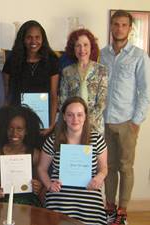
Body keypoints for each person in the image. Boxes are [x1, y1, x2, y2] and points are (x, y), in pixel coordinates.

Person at [100, 10, 150, 225]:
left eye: (123, 25)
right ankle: (109, 206)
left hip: (126, 122)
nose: (119, 28)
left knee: (125, 167)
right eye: (116, 24)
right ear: (111, 27)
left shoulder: (139, 56)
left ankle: (123, 210)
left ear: (130, 28)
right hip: (104, 122)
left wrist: (136, 121)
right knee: (107, 167)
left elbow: (146, 91)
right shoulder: (102, 54)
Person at [37, 96, 107, 225]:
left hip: (88, 192)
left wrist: (99, 178)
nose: (75, 119)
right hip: (60, 195)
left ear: (85, 116)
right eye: (70, 115)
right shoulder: (53, 140)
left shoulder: (97, 139)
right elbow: (41, 169)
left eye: (79, 115)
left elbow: (103, 169)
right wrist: (49, 185)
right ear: (63, 116)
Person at [2, 20, 59, 134]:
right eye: (29, 37)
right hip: (17, 121)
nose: (33, 41)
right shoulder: (12, 60)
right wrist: (5, 120)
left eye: (37, 37)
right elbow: (7, 93)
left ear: (43, 39)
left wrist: (51, 124)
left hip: (43, 122)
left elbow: (53, 95)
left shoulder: (52, 60)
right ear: (23, 39)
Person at [0, 105, 43, 206]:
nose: (14, 133)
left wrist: (38, 186)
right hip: (2, 202)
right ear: (5, 129)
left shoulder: (35, 154)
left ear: (26, 131)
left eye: (19, 129)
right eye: (10, 128)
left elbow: (39, 183)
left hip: (28, 203)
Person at [59, 28, 108, 134]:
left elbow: (102, 102)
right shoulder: (67, 71)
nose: (82, 49)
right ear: (73, 49)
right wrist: (74, 119)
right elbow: (63, 100)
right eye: (78, 45)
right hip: (72, 125)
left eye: (85, 45)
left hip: (95, 126)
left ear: (91, 47)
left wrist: (85, 121)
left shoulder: (101, 70)